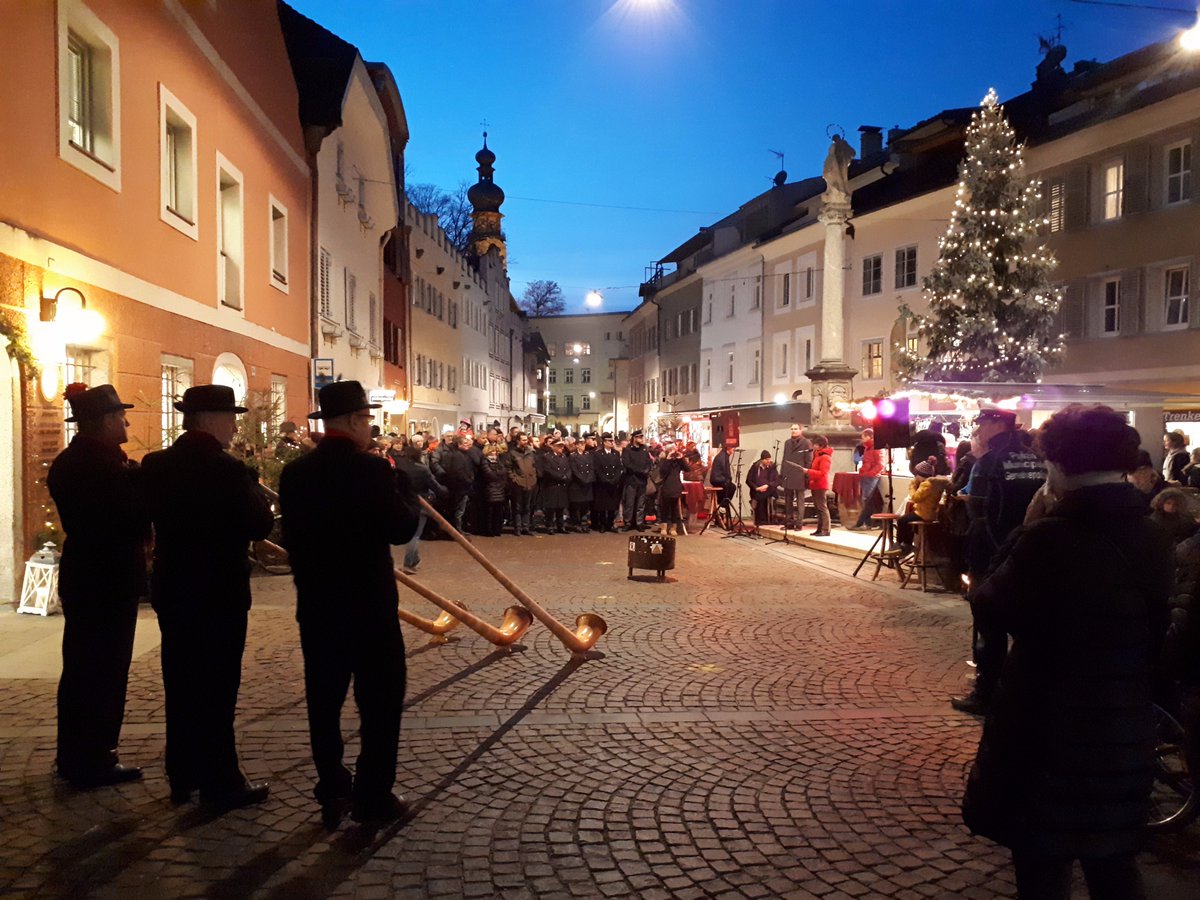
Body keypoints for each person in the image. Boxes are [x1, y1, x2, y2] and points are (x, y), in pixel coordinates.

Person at [961, 405, 1171, 900]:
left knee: (1042, 857)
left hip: (1047, 717)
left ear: (1057, 462)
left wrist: (1028, 527)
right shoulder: (1151, 533)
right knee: (1113, 858)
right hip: (1121, 718)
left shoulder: (1049, 535)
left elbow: (991, 604)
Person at [279, 381, 420, 826]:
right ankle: (373, 796)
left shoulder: (296, 473)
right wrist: (405, 489)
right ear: (356, 421)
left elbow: (292, 538)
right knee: (380, 701)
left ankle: (332, 786)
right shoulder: (371, 470)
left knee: (323, 701)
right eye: (367, 420)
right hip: (369, 608)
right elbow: (400, 528)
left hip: (318, 605)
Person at [141, 384, 274, 809]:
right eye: (231, 418)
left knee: (180, 681)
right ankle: (222, 780)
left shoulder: (156, 465)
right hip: (219, 592)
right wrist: (253, 488)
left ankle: (182, 773)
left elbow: (144, 517)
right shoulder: (228, 469)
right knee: (218, 687)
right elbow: (260, 525)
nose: (234, 426)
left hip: (174, 587)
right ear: (210, 420)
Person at [47, 383, 148, 790]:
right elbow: (129, 518)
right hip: (107, 579)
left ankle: (74, 754)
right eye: (121, 417)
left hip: (85, 575)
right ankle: (95, 758)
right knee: (104, 671)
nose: (126, 423)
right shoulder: (103, 467)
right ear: (105, 422)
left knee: (81, 669)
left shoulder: (72, 462)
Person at [953, 408, 1046, 716]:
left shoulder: (989, 462)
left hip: (992, 553)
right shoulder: (1036, 460)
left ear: (997, 425)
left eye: (982, 424)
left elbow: (979, 512)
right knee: (1028, 625)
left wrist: (990, 556)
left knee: (988, 625)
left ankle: (986, 691)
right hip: (1033, 550)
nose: (978, 430)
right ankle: (1024, 688)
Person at [395, 443, 447, 573]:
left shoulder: (401, 467)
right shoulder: (422, 469)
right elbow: (434, 485)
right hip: (420, 502)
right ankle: (408, 564)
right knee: (416, 534)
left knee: (412, 531)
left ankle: (414, 559)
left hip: (403, 501)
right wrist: (445, 491)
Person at [895, 458, 948, 554]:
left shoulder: (927, 485)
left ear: (920, 475)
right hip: (930, 512)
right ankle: (905, 543)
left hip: (923, 513)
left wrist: (912, 487)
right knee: (906, 520)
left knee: (902, 520)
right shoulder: (935, 484)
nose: (915, 477)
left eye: (916, 475)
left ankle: (903, 544)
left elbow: (916, 498)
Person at [505, 432, 538, 536]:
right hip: (518, 484)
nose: (525, 442)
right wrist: (514, 479)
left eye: (526, 440)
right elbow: (508, 468)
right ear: (518, 441)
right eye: (523, 440)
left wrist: (533, 478)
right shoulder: (512, 453)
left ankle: (525, 527)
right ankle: (518, 527)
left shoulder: (531, 453)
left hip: (530, 483)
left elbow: (534, 467)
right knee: (517, 506)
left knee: (527, 506)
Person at [780, 424, 812, 530]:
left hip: (799, 475)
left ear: (800, 430)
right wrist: (782, 474)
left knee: (800, 501)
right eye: (792, 429)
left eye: (796, 429)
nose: (794, 431)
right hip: (788, 474)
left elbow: (808, 460)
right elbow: (784, 459)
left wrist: (807, 474)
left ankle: (799, 523)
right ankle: (789, 522)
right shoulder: (787, 443)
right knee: (788, 500)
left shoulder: (806, 443)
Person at [851, 428, 884, 530]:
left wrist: (870, 473)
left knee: (867, 500)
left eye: (863, 437)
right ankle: (867, 523)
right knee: (867, 500)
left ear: (869, 436)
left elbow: (880, 464)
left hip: (871, 476)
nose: (862, 439)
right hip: (866, 475)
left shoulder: (876, 447)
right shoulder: (868, 448)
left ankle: (863, 523)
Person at [620, 430, 652, 531]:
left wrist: (647, 470)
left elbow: (649, 462)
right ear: (634, 438)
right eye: (639, 437)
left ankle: (639, 522)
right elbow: (627, 464)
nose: (641, 439)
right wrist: (640, 471)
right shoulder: (627, 450)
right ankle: (628, 522)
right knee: (629, 503)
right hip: (632, 480)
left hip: (642, 480)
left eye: (642, 437)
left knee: (640, 504)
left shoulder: (644, 449)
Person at [592, 433, 623, 533]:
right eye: (609, 441)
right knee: (602, 506)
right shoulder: (598, 454)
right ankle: (603, 524)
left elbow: (618, 467)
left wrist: (615, 479)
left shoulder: (615, 453)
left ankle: (610, 523)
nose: (611, 443)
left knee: (612, 506)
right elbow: (597, 469)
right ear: (604, 442)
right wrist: (605, 479)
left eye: (612, 441)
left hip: (613, 483)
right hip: (602, 484)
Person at [655, 440, 688, 535]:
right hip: (666, 486)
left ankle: (674, 528)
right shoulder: (663, 460)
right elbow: (662, 472)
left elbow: (687, 469)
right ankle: (664, 527)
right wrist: (668, 459)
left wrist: (681, 458)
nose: (674, 451)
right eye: (672, 449)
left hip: (676, 486)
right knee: (665, 507)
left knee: (675, 508)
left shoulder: (678, 461)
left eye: (675, 449)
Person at [802, 435, 833, 536]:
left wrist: (808, 471)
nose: (813, 446)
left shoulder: (825, 457)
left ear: (821, 445)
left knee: (822, 508)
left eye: (815, 444)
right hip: (815, 484)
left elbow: (823, 473)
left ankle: (826, 529)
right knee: (818, 508)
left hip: (820, 485)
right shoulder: (817, 455)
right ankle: (820, 529)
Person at [539, 438, 571, 534]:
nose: (562, 448)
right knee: (551, 508)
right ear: (553, 447)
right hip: (552, 485)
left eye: (562, 446)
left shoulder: (564, 457)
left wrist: (567, 476)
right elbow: (548, 470)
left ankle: (560, 526)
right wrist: (560, 477)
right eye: (559, 446)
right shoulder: (547, 457)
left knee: (561, 507)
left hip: (562, 486)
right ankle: (550, 526)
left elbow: (568, 469)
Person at [479, 442, 509, 537]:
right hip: (489, 488)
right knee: (489, 511)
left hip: (499, 488)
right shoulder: (485, 461)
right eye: (492, 451)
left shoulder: (498, 461)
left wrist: (498, 474)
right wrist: (498, 474)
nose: (494, 453)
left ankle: (497, 529)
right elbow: (489, 474)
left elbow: (504, 471)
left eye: (495, 451)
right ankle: (489, 529)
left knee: (498, 511)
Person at [567, 438, 595, 532]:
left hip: (587, 484)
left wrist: (588, 479)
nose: (582, 446)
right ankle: (576, 523)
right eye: (580, 444)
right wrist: (582, 479)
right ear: (576, 445)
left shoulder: (588, 455)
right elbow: (574, 470)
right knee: (576, 506)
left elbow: (591, 468)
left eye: (583, 444)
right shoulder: (573, 456)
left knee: (585, 506)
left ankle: (584, 523)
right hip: (577, 484)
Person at [746, 450, 779, 529]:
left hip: (769, 488)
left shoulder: (772, 467)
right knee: (759, 495)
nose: (768, 461)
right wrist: (756, 488)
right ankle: (761, 520)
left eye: (769, 459)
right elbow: (748, 480)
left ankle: (760, 519)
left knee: (759, 496)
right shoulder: (755, 467)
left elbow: (777, 481)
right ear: (762, 459)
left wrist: (767, 486)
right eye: (766, 459)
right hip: (757, 489)